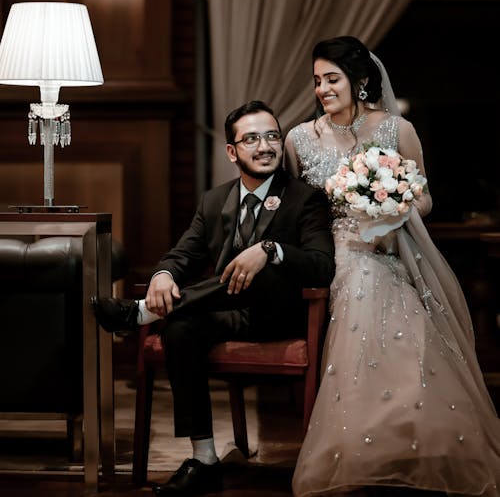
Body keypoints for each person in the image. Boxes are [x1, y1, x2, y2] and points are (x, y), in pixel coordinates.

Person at [285, 36, 500, 497]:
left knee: (388, 284)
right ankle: (361, 439)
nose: (322, 89)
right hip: (332, 252)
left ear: (360, 82)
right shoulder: (300, 138)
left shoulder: (395, 131)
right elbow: (293, 212)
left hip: (391, 249)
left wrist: (392, 207)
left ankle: (408, 434)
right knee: (362, 277)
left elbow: (424, 198)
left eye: (332, 79)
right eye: (317, 81)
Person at [95, 99, 335, 497]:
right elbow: (183, 254)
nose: (265, 146)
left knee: (259, 266)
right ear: (232, 151)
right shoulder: (213, 200)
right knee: (180, 329)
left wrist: (271, 250)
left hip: (278, 314)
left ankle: (138, 314)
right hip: (225, 313)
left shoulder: (305, 199)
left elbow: (322, 266)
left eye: (272, 136)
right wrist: (162, 275)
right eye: (252, 138)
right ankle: (204, 459)